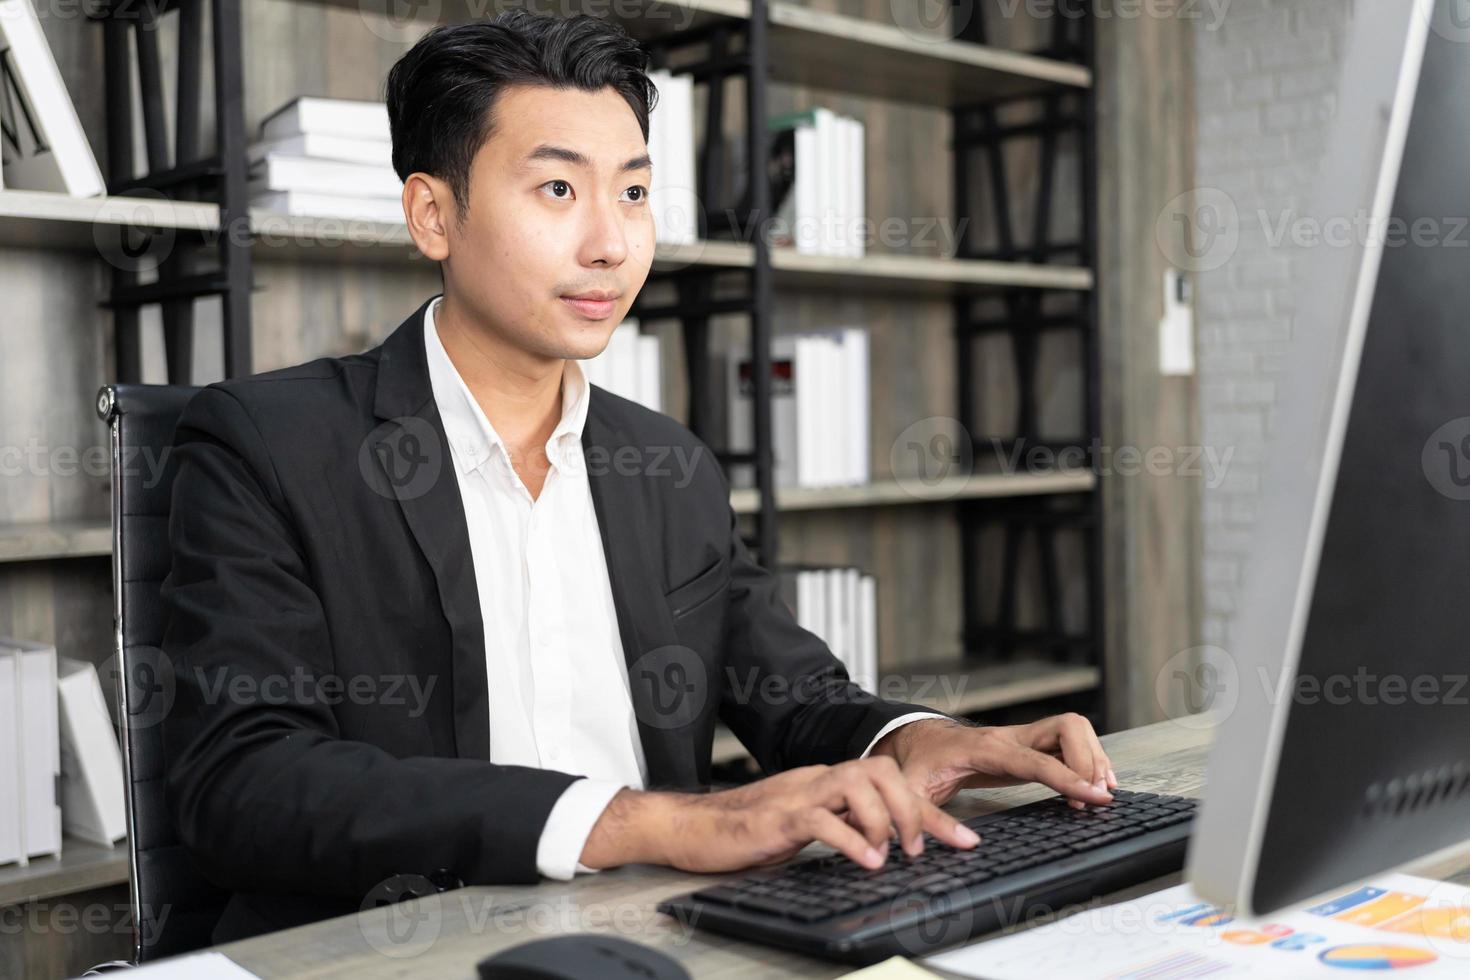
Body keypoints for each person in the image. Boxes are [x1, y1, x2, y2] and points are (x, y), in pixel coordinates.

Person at [160, 10, 1115, 944]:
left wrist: (913, 738)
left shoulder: (665, 463)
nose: (612, 245)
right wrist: (653, 823)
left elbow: (794, 697)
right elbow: (244, 783)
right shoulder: (271, 445)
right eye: (558, 192)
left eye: (634, 192)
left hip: (661, 943)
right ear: (433, 215)